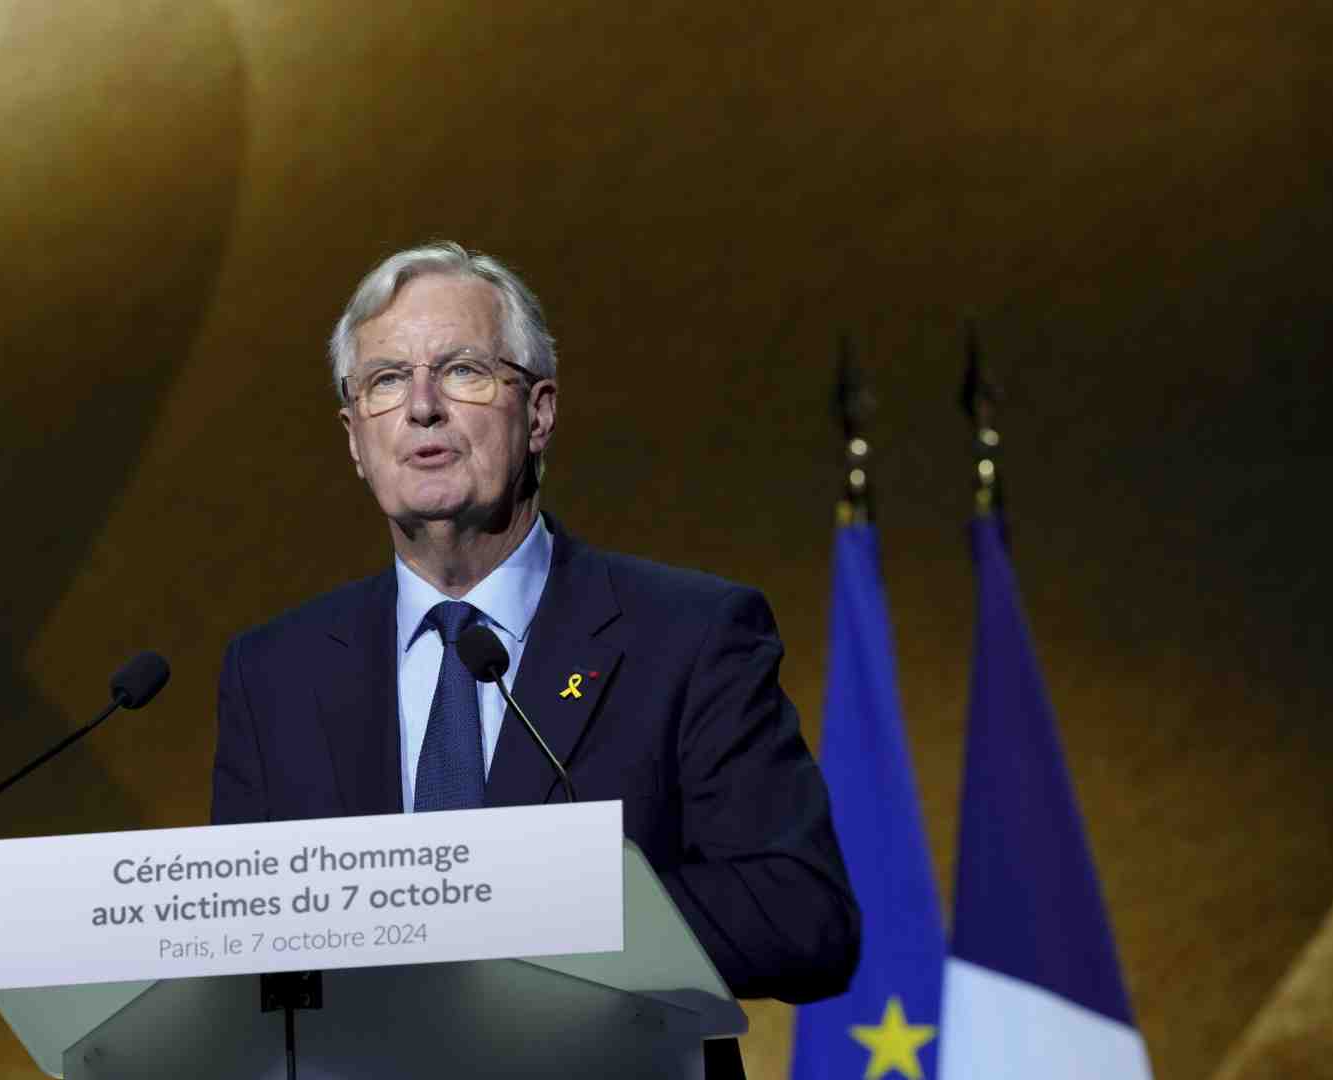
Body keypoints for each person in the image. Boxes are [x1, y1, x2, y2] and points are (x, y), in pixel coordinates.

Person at [211, 242, 859, 1069]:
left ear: (540, 413)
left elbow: (803, 918)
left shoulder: (688, 636)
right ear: (355, 440)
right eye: (385, 381)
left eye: (463, 371)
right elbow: (240, 962)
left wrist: (532, 907)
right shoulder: (274, 673)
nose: (422, 408)